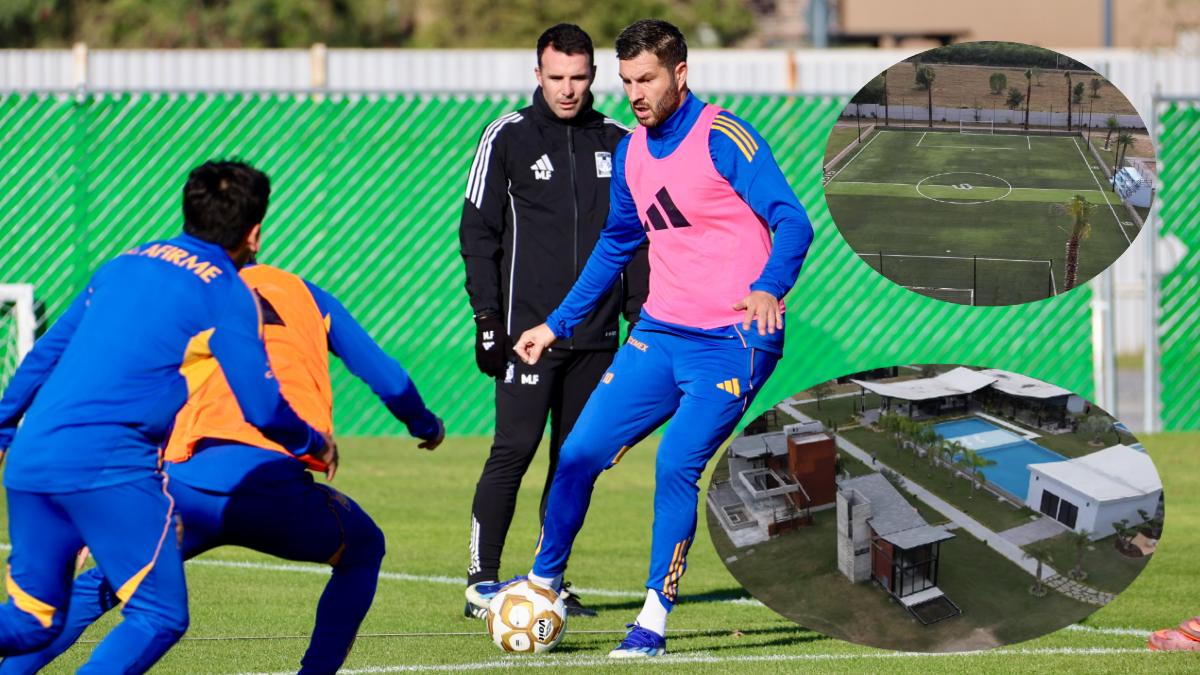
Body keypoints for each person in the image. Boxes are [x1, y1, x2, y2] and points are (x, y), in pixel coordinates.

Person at [512, 19, 813, 657]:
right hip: (659, 334)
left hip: (734, 340)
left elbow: (792, 219)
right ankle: (543, 580)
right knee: (577, 455)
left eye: (645, 79)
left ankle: (652, 618)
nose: (635, 94)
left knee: (676, 464)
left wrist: (769, 284)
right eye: (625, 82)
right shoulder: (631, 153)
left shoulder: (724, 136)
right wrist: (554, 324)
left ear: (680, 74)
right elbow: (616, 245)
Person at [0, 262, 445, 674]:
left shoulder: (191, 297)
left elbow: (128, 385)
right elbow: (387, 378)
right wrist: (426, 425)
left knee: (110, 581)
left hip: (184, 484)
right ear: (252, 237)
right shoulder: (310, 296)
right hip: (275, 491)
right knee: (364, 546)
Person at [0, 161, 330, 673]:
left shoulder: (122, 264)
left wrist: (2, 427)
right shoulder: (225, 291)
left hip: (32, 460)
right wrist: (314, 443)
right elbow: (263, 409)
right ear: (255, 232)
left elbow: (44, 355)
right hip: (107, 467)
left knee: (30, 624)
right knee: (158, 615)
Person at [459, 22, 647, 619]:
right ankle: (480, 581)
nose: (568, 89)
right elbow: (477, 234)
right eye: (556, 77)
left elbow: (641, 243)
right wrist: (488, 319)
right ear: (537, 75)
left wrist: (639, 321)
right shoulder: (506, 137)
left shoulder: (621, 141)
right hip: (526, 336)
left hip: (596, 338)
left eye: (579, 77)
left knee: (574, 462)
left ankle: (548, 582)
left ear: (594, 78)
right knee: (513, 449)